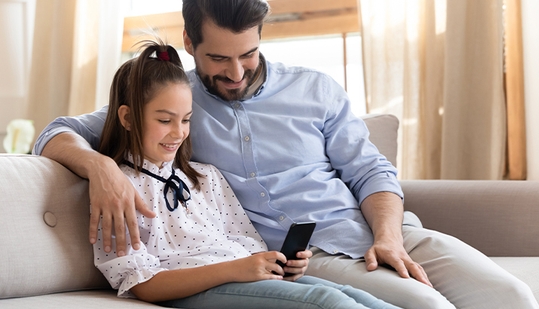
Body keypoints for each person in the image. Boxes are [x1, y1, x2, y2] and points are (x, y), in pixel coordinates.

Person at [33, 1, 539, 308]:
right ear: (189, 42)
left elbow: (370, 171)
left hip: (387, 233)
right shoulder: (169, 100)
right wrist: (100, 167)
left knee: (512, 298)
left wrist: (389, 238)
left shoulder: (315, 89)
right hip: (309, 257)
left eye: (247, 54)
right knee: (424, 305)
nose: (235, 72)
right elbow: (57, 132)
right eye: (218, 58)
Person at [93, 38, 400, 309]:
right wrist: (237, 270)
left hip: (244, 280)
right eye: (164, 120)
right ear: (128, 118)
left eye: (186, 120)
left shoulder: (205, 177)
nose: (178, 133)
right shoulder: (119, 190)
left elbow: (247, 244)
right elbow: (140, 283)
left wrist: (278, 265)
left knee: (357, 297)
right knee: (327, 302)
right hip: (200, 288)